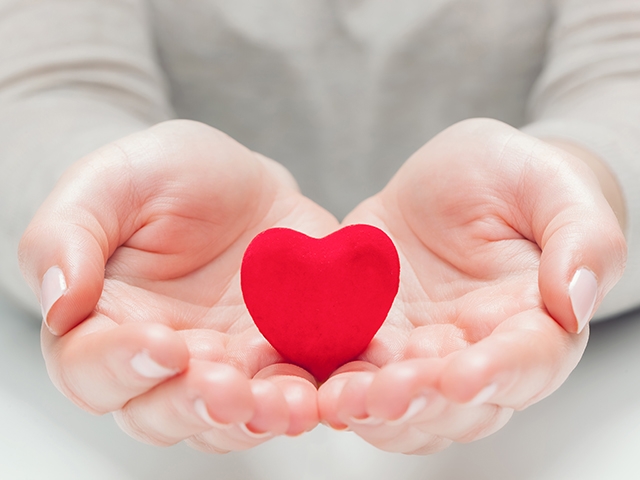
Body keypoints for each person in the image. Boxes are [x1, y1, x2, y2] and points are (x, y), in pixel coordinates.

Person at [0, 0, 638, 459]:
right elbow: (50, 83)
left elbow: (624, 72)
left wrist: (587, 185)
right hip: (146, 326)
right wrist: (91, 211)